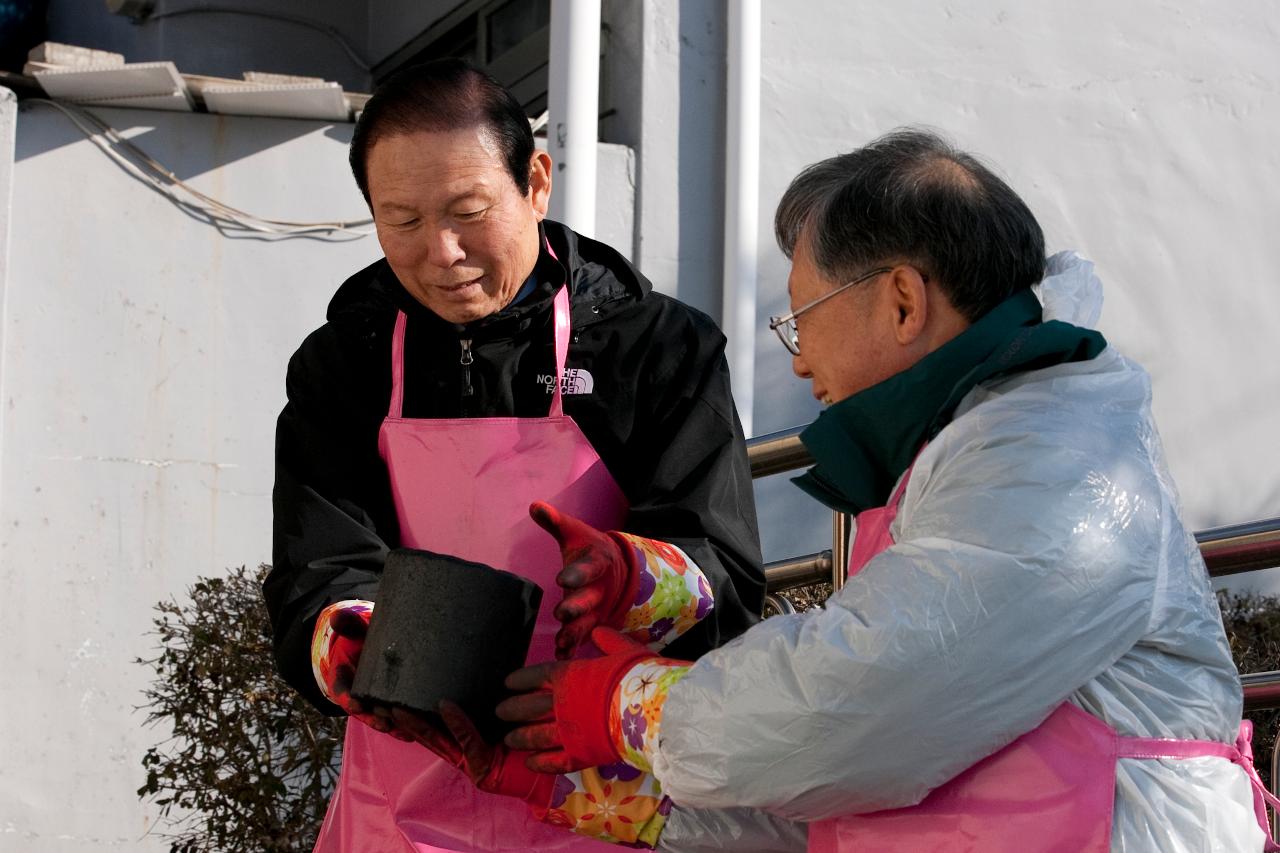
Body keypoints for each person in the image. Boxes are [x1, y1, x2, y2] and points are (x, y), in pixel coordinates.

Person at [495, 129, 1277, 852]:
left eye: (802, 319)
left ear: (903, 299)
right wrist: (597, 790)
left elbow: (857, 707)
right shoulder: (976, 443)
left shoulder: (1050, 458)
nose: (798, 363)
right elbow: (850, 784)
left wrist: (630, 709)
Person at [264, 59, 772, 852]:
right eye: (399, 219)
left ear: (536, 182)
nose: (442, 251)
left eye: (469, 211)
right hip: (401, 787)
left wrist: (627, 576)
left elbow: (725, 571)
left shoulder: (658, 348)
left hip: (601, 778)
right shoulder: (344, 363)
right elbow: (317, 567)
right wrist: (354, 640)